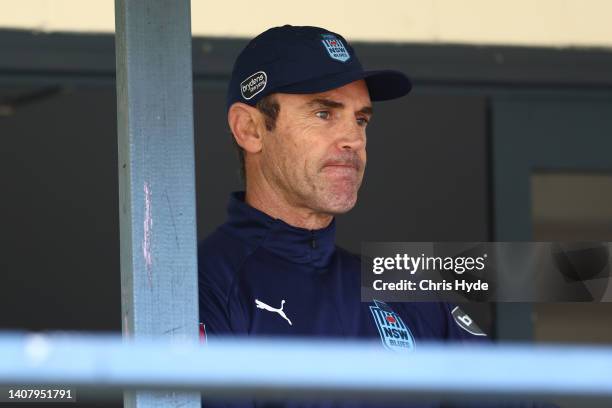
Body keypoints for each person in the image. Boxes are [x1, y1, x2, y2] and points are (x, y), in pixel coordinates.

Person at [198, 25, 527, 408]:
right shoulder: (201, 288)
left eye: (361, 120)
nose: (353, 139)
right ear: (250, 129)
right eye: (324, 113)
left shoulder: (402, 286)